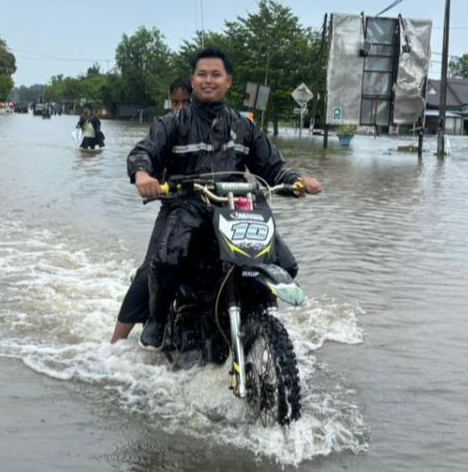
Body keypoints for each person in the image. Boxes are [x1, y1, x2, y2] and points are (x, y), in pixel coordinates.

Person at [127, 48, 323, 349]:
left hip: (236, 209)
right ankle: (158, 318)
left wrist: (295, 181)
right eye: (202, 74)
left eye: (215, 74)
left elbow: (272, 167)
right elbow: (144, 153)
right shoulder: (172, 124)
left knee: (286, 262)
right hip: (187, 204)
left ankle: (258, 319)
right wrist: (143, 175)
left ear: (228, 81)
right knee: (165, 260)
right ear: (192, 80)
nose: (208, 80)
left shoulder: (245, 127)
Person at [111, 78, 193, 343]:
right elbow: (144, 151)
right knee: (151, 270)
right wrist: (144, 175)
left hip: (215, 210)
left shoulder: (221, 127)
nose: (180, 108)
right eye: (176, 102)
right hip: (176, 208)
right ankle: (115, 343)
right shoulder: (165, 127)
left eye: (186, 102)